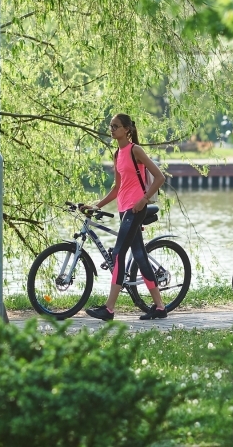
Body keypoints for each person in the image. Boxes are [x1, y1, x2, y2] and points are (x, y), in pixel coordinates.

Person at [85, 114, 167, 321]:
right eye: (110, 126)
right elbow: (117, 188)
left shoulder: (135, 150)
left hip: (135, 208)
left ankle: (109, 309)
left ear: (127, 129)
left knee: (119, 254)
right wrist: (96, 205)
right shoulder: (117, 154)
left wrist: (144, 200)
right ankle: (159, 307)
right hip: (124, 209)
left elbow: (160, 177)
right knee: (139, 255)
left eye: (116, 126)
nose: (111, 129)